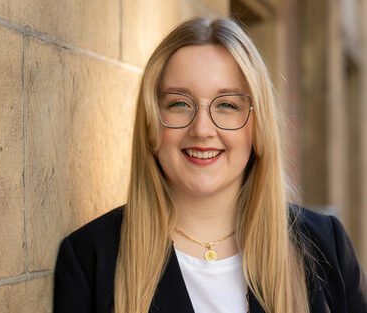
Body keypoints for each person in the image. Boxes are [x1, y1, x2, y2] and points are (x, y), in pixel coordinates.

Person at [53, 17, 367, 313]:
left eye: (227, 105)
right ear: (151, 122)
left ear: (257, 126)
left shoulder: (326, 246)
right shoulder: (90, 259)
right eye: (179, 103)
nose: (202, 129)